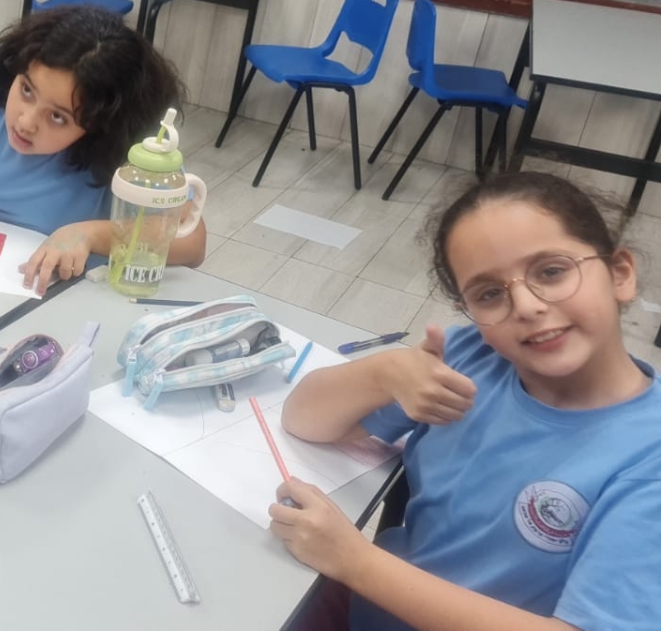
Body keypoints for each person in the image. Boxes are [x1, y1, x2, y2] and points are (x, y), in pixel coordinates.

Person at [274, 171, 659, 631]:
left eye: (552, 271)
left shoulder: (647, 454)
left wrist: (354, 560)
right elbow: (304, 419)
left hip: (364, 575)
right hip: (366, 605)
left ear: (619, 274)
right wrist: (385, 372)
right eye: (490, 293)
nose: (527, 306)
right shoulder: (467, 362)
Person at [0, 5, 204, 295]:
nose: (26, 122)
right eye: (26, 90)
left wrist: (93, 235)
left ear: (98, 126)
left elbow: (192, 240)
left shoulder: (132, 140)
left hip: (48, 294)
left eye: (58, 117)